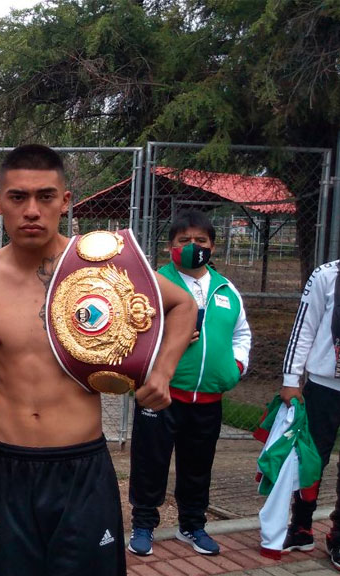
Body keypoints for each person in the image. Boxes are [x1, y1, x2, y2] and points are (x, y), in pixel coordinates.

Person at [0, 144, 197, 576]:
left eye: (46, 196)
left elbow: (183, 304)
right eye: (18, 198)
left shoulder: (100, 264)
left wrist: (163, 372)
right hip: (10, 467)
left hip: (81, 465)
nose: (32, 210)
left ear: (66, 201)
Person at [128, 210, 252, 557]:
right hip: (162, 395)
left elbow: (242, 333)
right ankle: (143, 525)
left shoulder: (227, 289)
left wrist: (236, 366)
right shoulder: (152, 284)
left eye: (201, 240)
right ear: (171, 247)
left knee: (198, 466)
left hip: (209, 400)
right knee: (149, 462)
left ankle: (192, 526)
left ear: (212, 245)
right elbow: (131, 332)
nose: (193, 246)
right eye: (184, 241)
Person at [279, 201, 340, 573]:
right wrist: (291, 380)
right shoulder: (326, 275)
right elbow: (303, 328)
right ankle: (300, 526)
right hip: (324, 385)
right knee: (310, 459)